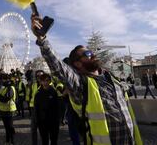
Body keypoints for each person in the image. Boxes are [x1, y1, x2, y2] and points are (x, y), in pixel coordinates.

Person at [31, 14, 142, 145]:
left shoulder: (111, 78)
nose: (92, 54)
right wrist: (42, 39)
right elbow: (58, 67)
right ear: (77, 64)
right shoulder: (81, 84)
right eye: (87, 54)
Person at [35, 73, 59, 145]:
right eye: (43, 81)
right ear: (40, 82)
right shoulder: (38, 94)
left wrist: (58, 119)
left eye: (47, 80)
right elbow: (36, 108)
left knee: (54, 140)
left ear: (49, 81)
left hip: (53, 121)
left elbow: (57, 107)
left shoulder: (53, 92)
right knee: (44, 140)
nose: (45, 82)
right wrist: (37, 121)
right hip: (42, 121)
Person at [0, 73, 17, 145]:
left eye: (1, 80)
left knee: (10, 127)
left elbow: (5, 99)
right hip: (3, 110)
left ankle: (12, 141)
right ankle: (7, 141)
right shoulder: (4, 88)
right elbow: (1, 98)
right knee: (7, 127)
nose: (0, 82)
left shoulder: (10, 88)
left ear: (4, 79)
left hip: (9, 110)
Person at [29, 70, 44, 145]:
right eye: (37, 76)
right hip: (34, 109)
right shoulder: (33, 85)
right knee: (33, 129)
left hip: (44, 110)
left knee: (44, 130)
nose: (39, 77)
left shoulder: (48, 85)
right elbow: (31, 95)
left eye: (41, 76)